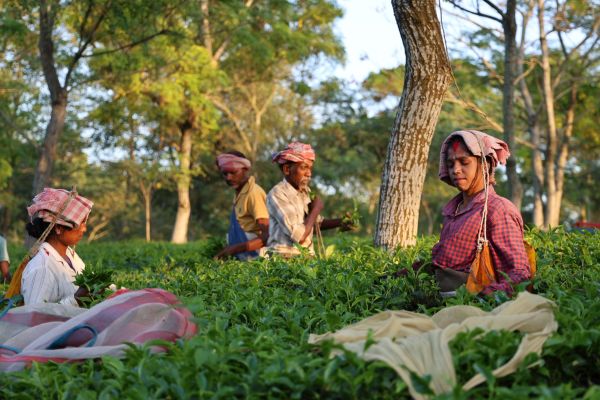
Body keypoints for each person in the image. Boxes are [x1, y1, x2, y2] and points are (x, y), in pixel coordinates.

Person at [431, 130, 530, 295]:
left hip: (472, 306)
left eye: (464, 162)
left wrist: (483, 296)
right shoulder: (453, 211)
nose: (455, 170)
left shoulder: (498, 210)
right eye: (450, 164)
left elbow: (519, 274)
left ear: (485, 165)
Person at [267, 142, 351, 257]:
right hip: (284, 259)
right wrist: (316, 208)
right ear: (287, 169)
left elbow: (313, 224)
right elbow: (300, 236)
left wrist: (341, 222)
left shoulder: (305, 192)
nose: (309, 174)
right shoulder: (277, 194)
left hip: (305, 258)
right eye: (303, 168)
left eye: (310, 168)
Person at [20, 188, 94, 306]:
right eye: (81, 223)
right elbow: (35, 315)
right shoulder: (42, 268)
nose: (84, 229)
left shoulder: (71, 256)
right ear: (58, 228)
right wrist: (75, 300)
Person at [214, 151, 269, 260]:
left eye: (233, 172)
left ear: (245, 169)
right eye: (225, 174)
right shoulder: (239, 193)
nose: (228, 178)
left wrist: (234, 249)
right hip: (244, 259)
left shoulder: (253, 193)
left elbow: (268, 235)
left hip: (257, 260)